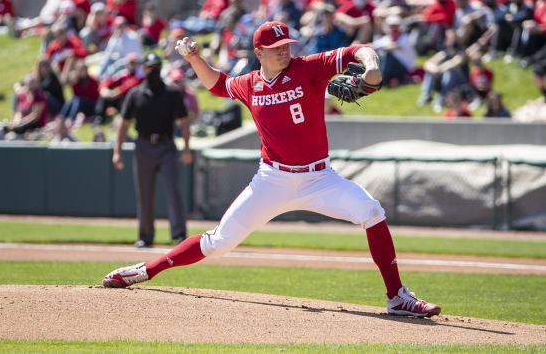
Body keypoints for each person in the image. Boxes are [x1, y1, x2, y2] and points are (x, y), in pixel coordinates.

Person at [103, 21, 442, 319]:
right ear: (259, 52)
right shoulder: (250, 84)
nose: (284, 52)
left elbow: (361, 48)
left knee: (371, 211)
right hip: (272, 179)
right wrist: (194, 59)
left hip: (319, 178)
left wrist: (371, 66)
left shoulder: (309, 67)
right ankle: (146, 270)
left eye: (287, 46)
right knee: (219, 241)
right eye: (277, 48)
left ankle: (397, 297)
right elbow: (219, 85)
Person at [111, 53, 192, 248]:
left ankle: (179, 235)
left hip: (166, 145)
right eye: (150, 67)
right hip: (143, 145)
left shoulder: (172, 93)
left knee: (173, 189)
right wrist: (117, 150)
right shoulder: (135, 94)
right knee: (144, 193)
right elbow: (123, 123)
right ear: (144, 69)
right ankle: (146, 237)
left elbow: (184, 121)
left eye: (156, 66)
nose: (153, 70)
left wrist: (187, 147)